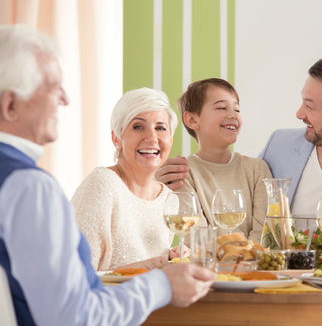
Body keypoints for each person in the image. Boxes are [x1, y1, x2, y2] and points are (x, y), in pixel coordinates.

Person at [0, 24, 214, 325]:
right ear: (10, 105)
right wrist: (162, 285)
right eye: (51, 86)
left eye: (160, 128)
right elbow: (75, 317)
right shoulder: (28, 186)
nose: (65, 99)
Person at [157, 56, 322, 236]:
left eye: (310, 106)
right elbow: (236, 190)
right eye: (302, 101)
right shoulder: (280, 145)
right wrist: (160, 184)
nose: (299, 114)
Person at [72, 87, 181, 271]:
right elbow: (79, 275)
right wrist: (158, 264)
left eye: (160, 128)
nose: (152, 137)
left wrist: (171, 257)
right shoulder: (103, 184)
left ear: (170, 138)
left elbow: (146, 267)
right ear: (116, 139)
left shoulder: (169, 200)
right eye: (138, 127)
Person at [175, 78, 272, 240]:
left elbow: (265, 231)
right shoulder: (183, 173)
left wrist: (245, 258)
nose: (233, 115)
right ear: (192, 120)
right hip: (207, 265)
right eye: (221, 107)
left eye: (237, 110)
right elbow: (196, 237)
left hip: (253, 264)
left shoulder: (257, 169)